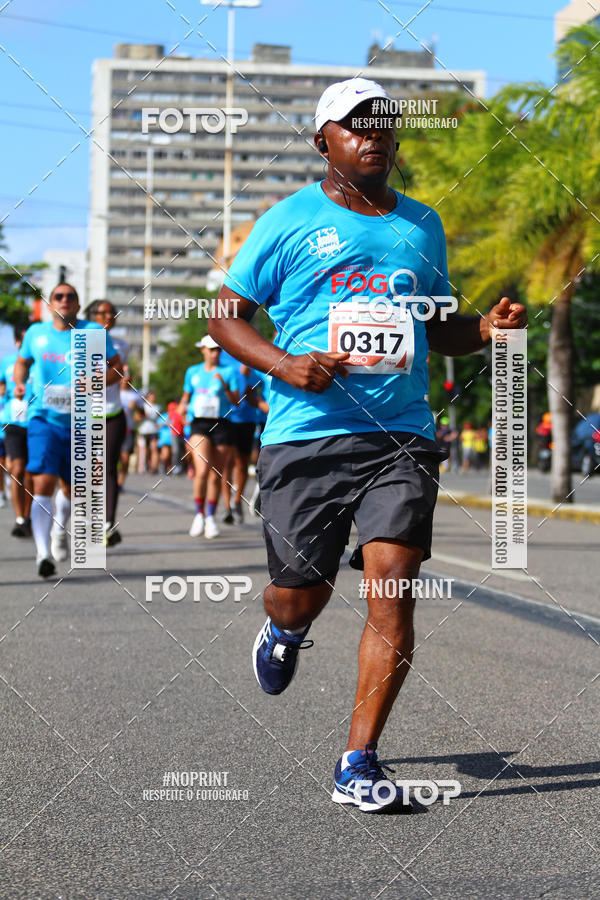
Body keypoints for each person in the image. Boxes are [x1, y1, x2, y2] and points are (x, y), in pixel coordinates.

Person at [208, 77, 527, 812]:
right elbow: (226, 316)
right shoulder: (286, 221)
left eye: (383, 124)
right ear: (323, 141)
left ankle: (359, 762)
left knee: (393, 580)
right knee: (299, 595)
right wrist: (285, 363)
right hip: (306, 436)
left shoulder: (423, 225)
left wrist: (482, 331)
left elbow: (435, 324)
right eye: (356, 126)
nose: (374, 135)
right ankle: (283, 632)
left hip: (401, 435)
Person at [13, 283, 121, 577]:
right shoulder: (36, 334)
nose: (64, 300)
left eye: (70, 297)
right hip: (43, 418)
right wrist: (19, 383)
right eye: (58, 297)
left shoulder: (94, 333)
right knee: (43, 481)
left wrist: (96, 381)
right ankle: (42, 554)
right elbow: (22, 363)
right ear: (50, 304)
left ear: (77, 304)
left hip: (81, 422)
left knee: (72, 490)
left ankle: (59, 531)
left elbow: (117, 367)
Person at [178, 335, 238, 539]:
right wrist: (182, 408)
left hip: (222, 423)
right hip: (199, 423)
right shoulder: (192, 371)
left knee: (216, 474)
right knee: (202, 470)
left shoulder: (228, 372)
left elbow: (237, 402)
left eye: (218, 350)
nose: (215, 354)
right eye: (211, 349)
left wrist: (226, 387)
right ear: (202, 349)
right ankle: (199, 514)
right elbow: (185, 398)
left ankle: (211, 517)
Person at [85, 299, 130, 546]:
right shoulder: (78, 339)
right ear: (91, 315)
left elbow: (119, 372)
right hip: (81, 413)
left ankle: (106, 525)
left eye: (112, 312)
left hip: (112, 411)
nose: (108, 316)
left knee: (107, 467)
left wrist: (95, 381)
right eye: (102, 313)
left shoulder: (121, 345)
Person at [0, 324, 34, 535]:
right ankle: (20, 518)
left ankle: (28, 516)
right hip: (13, 422)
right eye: (22, 341)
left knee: (31, 473)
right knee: (17, 468)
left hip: (37, 421)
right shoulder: (6, 362)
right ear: (16, 342)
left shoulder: (39, 362)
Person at [221, 363, 260, 525]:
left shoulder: (257, 375)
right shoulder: (230, 372)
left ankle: (236, 501)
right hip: (229, 420)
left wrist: (256, 398)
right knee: (227, 464)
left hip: (248, 421)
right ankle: (226, 506)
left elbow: (263, 393)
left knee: (242, 463)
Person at [119, 373, 143, 488]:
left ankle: (121, 482)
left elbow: (141, 414)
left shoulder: (135, 395)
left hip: (128, 429)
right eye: (123, 379)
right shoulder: (112, 392)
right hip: (112, 427)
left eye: (127, 379)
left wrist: (136, 414)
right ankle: (109, 481)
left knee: (125, 457)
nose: (125, 381)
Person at [136, 389, 161, 474]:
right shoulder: (143, 406)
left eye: (154, 396)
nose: (153, 397)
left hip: (153, 431)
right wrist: (143, 416)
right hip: (143, 431)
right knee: (145, 451)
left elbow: (160, 419)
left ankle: (154, 468)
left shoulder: (158, 407)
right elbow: (136, 418)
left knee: (154, 449)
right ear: (147, 397)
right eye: (151, 395)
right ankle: (145, 465)